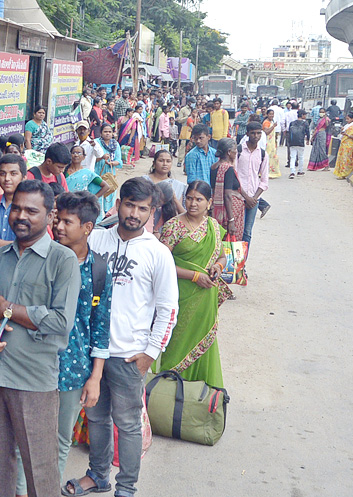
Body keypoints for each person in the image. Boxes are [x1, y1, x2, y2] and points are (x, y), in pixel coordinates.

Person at [69, 178, 178, 497]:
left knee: (128, 423)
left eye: (142, 208)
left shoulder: (158, 253)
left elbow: (168, 307)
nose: (134, 213)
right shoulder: (97, 239)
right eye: (129, 204)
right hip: (91, 351)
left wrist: (151, 352)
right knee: (96, 417)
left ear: (152, 212)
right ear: (118, 203)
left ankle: (126, 487)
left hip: (130, 354)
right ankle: (98, 476)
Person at [0, 179, 78, 497]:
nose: (21, 215)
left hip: (34, 381)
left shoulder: (63, 261)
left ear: (50, 216)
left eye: (32, 210)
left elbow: (61, 321)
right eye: (16, 208)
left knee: (40, 472)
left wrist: (7, 310)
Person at [26, 191, 109, 497]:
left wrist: (95, 377)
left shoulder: (98, 270)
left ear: (87, 227)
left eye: (67, 221)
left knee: (61, 440)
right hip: (34, 363)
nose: (59, 226)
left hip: (74, 372)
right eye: (57, 219)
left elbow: (100, 326)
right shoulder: (40, 259)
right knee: (29, 440)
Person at [156, 180, 229, 388]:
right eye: (189, 198)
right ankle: (167, 394)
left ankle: (200, 397)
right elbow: (163, 265)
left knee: (201, 342)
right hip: (180, 296)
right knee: (176, 346)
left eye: (199, 199)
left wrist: (218, 267)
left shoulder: (213, 226)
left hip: (205, 300)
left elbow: (223, 257)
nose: (193, 203)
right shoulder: (173, 226)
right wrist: (195, 276)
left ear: (208, 203)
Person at [235, 122, 271, 244]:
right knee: (236, 231)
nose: (256, 136)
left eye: (258, 133)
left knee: (247, 232)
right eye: (253, 133)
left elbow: (264, 180)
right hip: (238, 197)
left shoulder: (263, 154)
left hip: (254, 200)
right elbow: (233, 176)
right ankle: (235, 261)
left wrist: (254, 199)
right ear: (247, 134)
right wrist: (246, 197)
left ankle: (243, 262)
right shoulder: (238, 151)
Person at [65, 145, 111, 223]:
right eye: (74, 153)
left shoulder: (87, 173)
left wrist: (94, 198)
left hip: (78, 205)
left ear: (83, 157)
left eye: (79, 153)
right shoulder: (63, 170)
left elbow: (106, 186)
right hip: (65, 203)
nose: (76, 155)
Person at [211, 139, 245, 242]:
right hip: (229, 212)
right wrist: (231, 220)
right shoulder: (228, 169)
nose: (236, 152)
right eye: (235, 150)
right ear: (229, 152)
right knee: (230, 242)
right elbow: (227, 195)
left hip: (216, 212)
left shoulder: (214, 167)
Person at [143, 150, 187, 216]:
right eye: (161, 161)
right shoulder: (144, 181)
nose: (165, 164)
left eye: (168, 161)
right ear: (154, 163)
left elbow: (185, 215)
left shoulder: (179, 186)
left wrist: (174, 199)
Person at [333, 112, 353, 179]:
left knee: (346, 159)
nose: (347, 120)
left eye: (348, 119)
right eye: (346, 119)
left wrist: (347, 135)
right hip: (344, 144)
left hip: (349, 145)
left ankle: (345, 173)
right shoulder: (347, 126)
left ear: (352, 119)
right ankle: (341, 173)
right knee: (342, 158)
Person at [285, 110, 310, 179]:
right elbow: (307, 132)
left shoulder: (292, 123)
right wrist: (308, 140)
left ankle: (292, 172)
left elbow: (289, 132)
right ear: (302, 115)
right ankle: (300, 171)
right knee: (301, 157)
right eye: (305, 115)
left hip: (292, 142)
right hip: (300, 142)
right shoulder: (305, 123)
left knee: (293, 157)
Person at [261, 109, 281, 179]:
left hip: (272, 143)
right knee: (268, 157)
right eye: (270, 114)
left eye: (273, 114)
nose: (271, 115)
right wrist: (273, 126)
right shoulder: (266, 122)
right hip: (267, 142)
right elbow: (266, 132)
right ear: (267, 114)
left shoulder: (271, 121)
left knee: (272, 157)